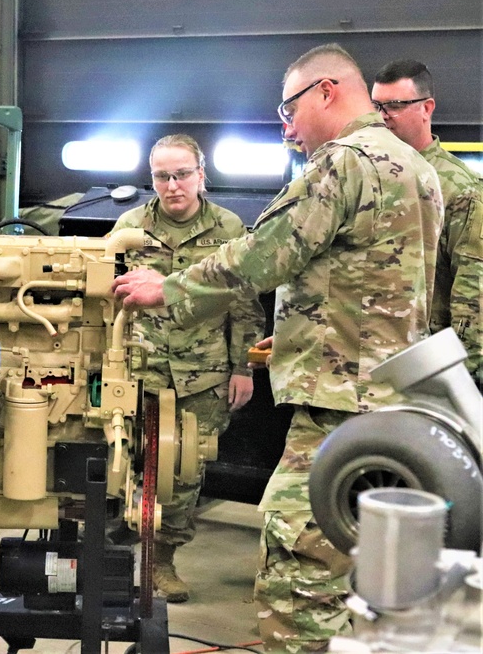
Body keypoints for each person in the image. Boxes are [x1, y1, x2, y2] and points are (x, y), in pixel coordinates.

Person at [111, 44, 443, 652]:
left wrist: (171, 287)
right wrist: (302, 326)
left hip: (336, 404)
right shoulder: (414, 164)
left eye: (288, 107)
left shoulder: (342, 162)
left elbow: (265, 254)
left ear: (326, 91)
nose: (285, 125)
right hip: (386, 398)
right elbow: (382, 281)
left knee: (296, 566)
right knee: (346, 553)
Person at [109, 134, 263, 602]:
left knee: (185, 472)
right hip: (140, 369)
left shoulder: (229, 227)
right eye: (162, 176)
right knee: (128, 465)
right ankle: (119, 555)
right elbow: (103, 297)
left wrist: (244, 367)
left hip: (204, 371)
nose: (172, 186)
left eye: (182, 174)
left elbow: (245, 302)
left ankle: (163, 563)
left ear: (201, 175)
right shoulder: (130, 226)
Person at [372, 59, 483, 388]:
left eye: (395, 105)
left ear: (426, 108)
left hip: (425, 371)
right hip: (365, 368)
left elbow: (473, 297)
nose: (383, 116)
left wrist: (462, 381)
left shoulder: (460, 189)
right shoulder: (368, 180)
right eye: (376, 106)